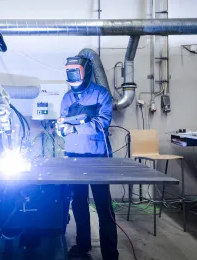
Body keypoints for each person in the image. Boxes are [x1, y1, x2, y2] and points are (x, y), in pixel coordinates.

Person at [57, 56, 119, 259]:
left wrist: (73, 128)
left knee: (103, 205)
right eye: (70, 74)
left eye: (76, 73)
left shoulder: (101, 94)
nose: (73, 78)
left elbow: (102, 124)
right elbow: (62, 126)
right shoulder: (67, 98)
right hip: (73, 156)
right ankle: (83, 244)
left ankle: (110, 252)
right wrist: (61, 129)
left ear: (86, 72)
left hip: (97, 157)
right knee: (78, 202)